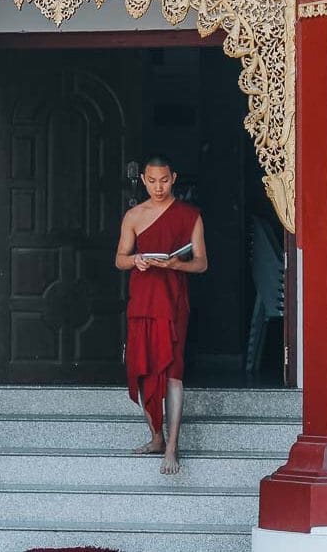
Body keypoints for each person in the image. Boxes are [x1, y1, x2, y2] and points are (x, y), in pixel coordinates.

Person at [114, 155, 207, 475]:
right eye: (152, 181)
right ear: (142, 180)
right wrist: (136, 259)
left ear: (174, 177)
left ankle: (172, 446)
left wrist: (175, 265)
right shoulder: (134, 216)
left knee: (172, 370)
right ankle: (155, 435)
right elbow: (119, 260)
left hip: (172, 302)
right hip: (142, 301)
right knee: (141, 368)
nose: (158, 187)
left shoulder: (189, 215)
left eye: (164, 180)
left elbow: (201, 263)